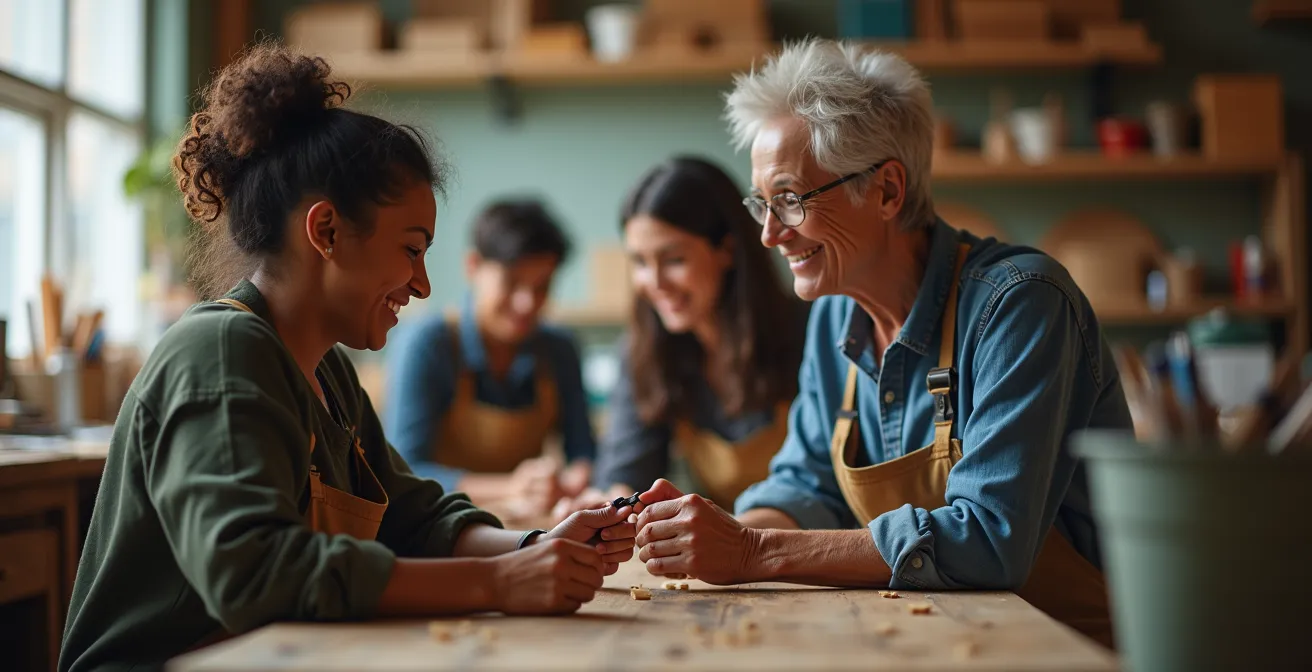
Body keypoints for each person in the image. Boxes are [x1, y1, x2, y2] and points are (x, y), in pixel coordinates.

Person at [59, 44, 636, 672]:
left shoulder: (327, 369)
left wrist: (534, 544)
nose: (422, 286)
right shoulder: (222, 353)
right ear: (326, 231)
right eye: (411, 250)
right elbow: (257, 575)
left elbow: (412, 517)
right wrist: (497, 583)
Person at [629, 39, 1132, 649]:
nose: (768, 235)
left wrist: (753, 550)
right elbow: (805, 486)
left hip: (1065, 650)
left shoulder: (1020, 305)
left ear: (888, 191)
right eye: (762, 203)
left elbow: (988, 538)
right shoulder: (833, 315)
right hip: (935, 642)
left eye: (789, 199)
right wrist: (713, 535)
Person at [562, 157, 807, 513]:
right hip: (721, 559)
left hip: (809, 549)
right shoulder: (644, 352)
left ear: (726, 250)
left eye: (674, 260)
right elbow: (629, 470)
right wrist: (606, 502)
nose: (655, 283)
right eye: (640, 263)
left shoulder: (808, 333)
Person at [384, 199, 595, 519]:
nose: (527, 303)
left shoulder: (558, 349)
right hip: (437, 525)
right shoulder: (428, 344)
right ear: (473, 266)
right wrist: (510, 487)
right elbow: (405, 469)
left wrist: (577, 478)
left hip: (526, 527)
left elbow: (583, 449)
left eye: (542, 286)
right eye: (511, 283)